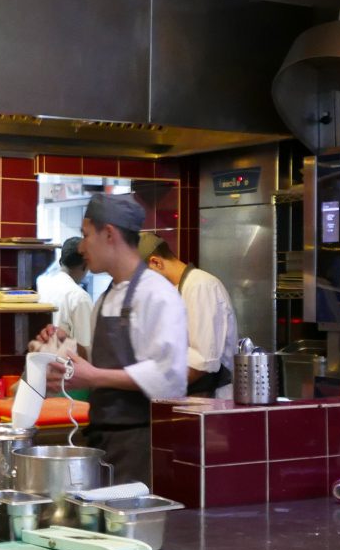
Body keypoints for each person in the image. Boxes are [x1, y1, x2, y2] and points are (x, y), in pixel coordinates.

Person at [33, 193, 188, 485]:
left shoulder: (157, 294)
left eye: (85, 235)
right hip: (102, 439)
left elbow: (169, 378)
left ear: (109, 234)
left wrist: (92, 376)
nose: (80, 246)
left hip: (140, 445)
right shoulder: (105, 297)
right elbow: (103, 359)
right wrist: (65, 345)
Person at [139, 234, 238, 399]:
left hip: (210, 402)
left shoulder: (200, 286)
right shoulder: (172, 291)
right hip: (184, 397)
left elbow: (202, 362)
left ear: (156, 262)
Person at [35, 236, 95, 355]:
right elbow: (86, 348)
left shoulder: (43, 286)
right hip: (66, 367)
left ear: (61, 261)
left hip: (42, 360)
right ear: (85, 264)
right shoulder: (79, 297)